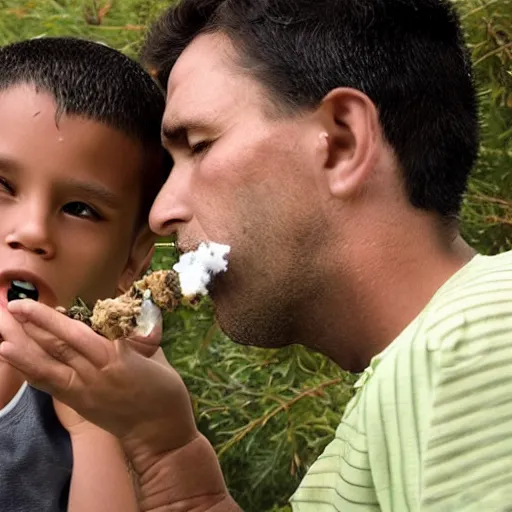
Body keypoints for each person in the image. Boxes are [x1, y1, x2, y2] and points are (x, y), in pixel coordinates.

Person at [1, 0, 512, 511]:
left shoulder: (476, 344)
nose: (160, 214)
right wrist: (165, 453)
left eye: (199, 146)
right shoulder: (410, 392)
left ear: (340, 143)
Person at [0, 36, 169, 511]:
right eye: (2, 184)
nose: (32, 231)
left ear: (133, 261)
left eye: (79, 209)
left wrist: (97, 419)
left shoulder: (118, 379)